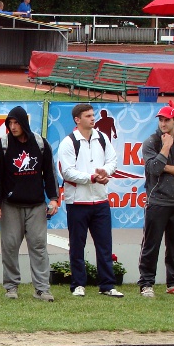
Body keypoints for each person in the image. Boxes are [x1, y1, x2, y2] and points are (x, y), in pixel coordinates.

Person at [0, 105, 59, 301]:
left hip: (36, 205)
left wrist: (53, 198)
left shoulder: (40, 143)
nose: (13, 127)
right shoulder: (1, 146)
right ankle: (11, 287)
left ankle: (42, 289)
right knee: (10, 246)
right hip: (10, 205)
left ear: (24, 124)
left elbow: (50, 174)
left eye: (16, 123)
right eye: (10, 123)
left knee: (38, 246)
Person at [58, 103, 124, 297]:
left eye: (92, 115)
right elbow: (67, 172)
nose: (92, 118)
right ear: (77, 120)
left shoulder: (102, 138)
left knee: (104, 245)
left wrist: (106, 172)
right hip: (78, 203)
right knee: (77, 246)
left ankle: (107, 285)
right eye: (87, 116)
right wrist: (92, 177)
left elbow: (113, 160)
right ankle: (78, 284)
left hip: (101, 201)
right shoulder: (68, 143)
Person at [137, 104, 174, 298]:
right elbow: (153, 169)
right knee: (151, 245)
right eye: (160, 120)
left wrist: (170, 168)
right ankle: (146, 283)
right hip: (158, 201)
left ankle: (173, 283)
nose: (163, 123)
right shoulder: (151, 142)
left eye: (166, 120)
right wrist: (165, 148)